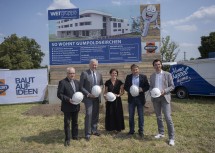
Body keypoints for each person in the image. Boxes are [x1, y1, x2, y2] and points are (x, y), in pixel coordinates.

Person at [149, 59, 175, 146]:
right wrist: (151, 91)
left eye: (159, 64)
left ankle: (171, 138)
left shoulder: (167, 74)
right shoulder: (152, 76)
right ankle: (161, 133)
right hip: (156, 98)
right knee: (158, 116)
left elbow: (172, 86)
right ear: (153, 66)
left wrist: (165, 90)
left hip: (165, 97)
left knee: (168, 117)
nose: (157, 66)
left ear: (161, 65)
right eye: (155, 65)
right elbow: (151, 87)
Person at [80, 59, 103, 141]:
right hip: (88, 98)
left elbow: (101, 84)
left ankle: (94, 130)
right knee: (89, 114)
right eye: (93, 64)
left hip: (97, 98)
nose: (94, 66)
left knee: (95, 114)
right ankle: (87, 133)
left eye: (96, 65)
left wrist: (99, 89)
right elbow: (81, 87)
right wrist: (89, 94)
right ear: (89, 65)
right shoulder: (84, 73)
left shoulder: (99, 74)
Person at [57, 67, 81, 147]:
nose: (72, 75)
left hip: (76, 106)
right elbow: (59, 94)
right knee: (67, 123)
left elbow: (79, 93)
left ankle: (75, 136)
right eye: (70, 73)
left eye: (73, 73)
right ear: (67, 74)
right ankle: (67, 139)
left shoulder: (77, 82)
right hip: (67, 106)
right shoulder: (62, 82)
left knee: (75, 122)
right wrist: (68, 99)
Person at [124, 64, 149, 138]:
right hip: (131, 99)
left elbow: (147, 86)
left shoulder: (143, 77)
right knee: (131, 116)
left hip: (140, 99)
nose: (135, 71)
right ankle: (131, 131)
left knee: (141, 116)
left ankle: (141, 131)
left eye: (136, 69)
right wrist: (130, 90)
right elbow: (125, 86)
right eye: (133, 70)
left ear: (138, 69)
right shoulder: (128, 77)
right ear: (131, 70)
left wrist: (142, 89)